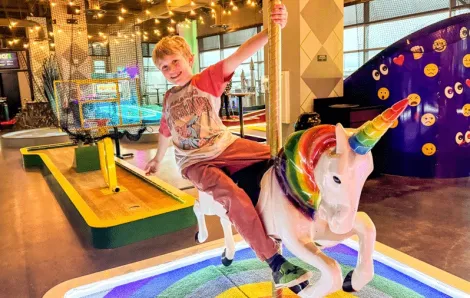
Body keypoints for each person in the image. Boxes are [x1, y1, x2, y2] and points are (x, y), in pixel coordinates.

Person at [144, 4, 312, 289]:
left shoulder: (206, 80)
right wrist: (158, 160)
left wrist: (271, 30)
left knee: (278, 156)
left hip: (224, 145)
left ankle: (299, 210)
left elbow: (240, 54)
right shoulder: (168, 100)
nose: (171, 70)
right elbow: (165, 132)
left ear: (189, 59)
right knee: (230, 194)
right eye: (164, 67)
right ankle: (275, 263)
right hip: (194, 162)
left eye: (175, 62)